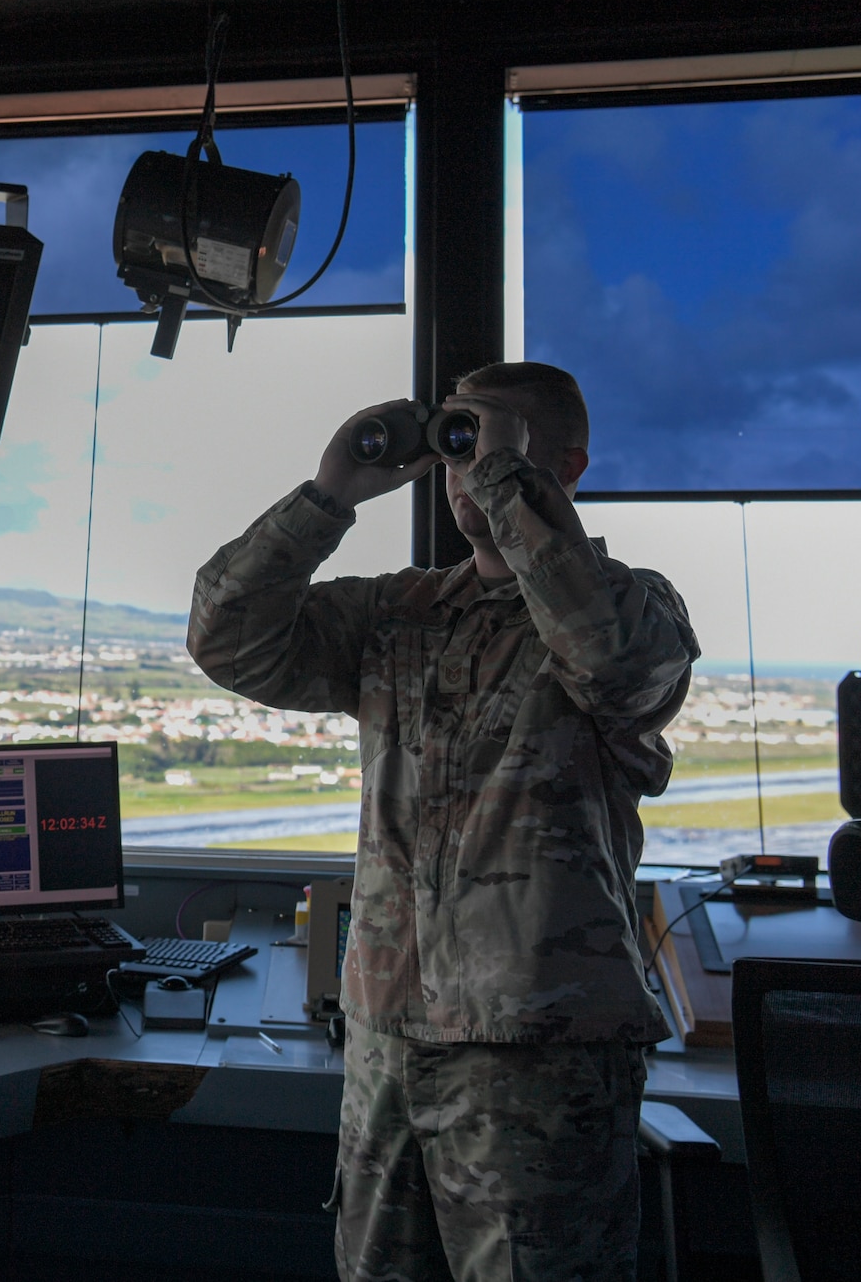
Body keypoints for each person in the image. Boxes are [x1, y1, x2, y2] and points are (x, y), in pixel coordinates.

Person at [188, 362, 698, 1281]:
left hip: (540, 1059)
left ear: (568, 465)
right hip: (386, 1041)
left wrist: (508, 478)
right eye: (457, 448)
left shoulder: (635, 608)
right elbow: (226, 639)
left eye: (489, 445)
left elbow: (615, 667)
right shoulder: (401, 612)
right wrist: (331, 490)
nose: (466, 473)